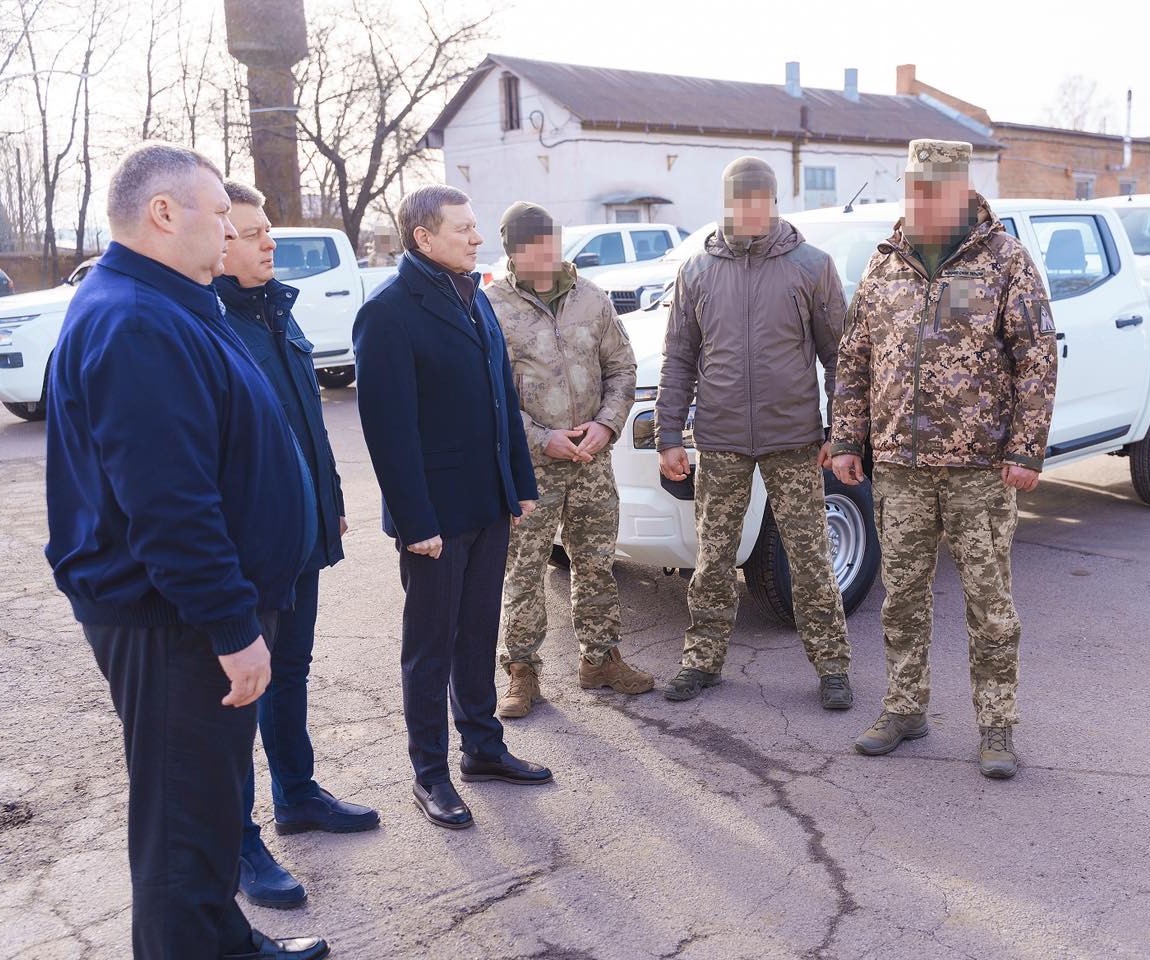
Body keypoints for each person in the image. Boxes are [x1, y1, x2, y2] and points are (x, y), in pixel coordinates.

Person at [44, 142, 327, 959]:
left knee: (202, 809)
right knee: (181, 821)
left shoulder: (171, 302)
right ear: (164, 214)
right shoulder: (135, 320)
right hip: (175, 623)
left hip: (192, 615)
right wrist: (234, 628)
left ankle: (223, 941)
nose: (233, 230)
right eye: (219, 214)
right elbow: (169, 506)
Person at [830, 139, 1057, 775]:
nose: (920, 202)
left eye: (932, 191)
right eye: (913, 189)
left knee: (990, 602)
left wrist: (1025, 448)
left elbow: (1037, 358)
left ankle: (997, 726)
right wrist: (848, 439)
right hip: (900, 466)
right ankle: (905, 707)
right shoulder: (885, 264)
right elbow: (854, 357)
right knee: (901, 595)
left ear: (960, 193)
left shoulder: (1004, 261)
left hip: (979, 469)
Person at [353, 184, 551, 831]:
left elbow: (502, 396)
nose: (476, 237)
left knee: (477, 634)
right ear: (423, 238)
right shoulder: (388, 312)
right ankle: (430, 773)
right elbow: (389, 430)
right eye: (463, 228)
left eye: (474, 226)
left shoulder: (475, 297)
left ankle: (483, 748)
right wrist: (416, 523)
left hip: (486, 502)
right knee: (429, 647)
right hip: (433, 517)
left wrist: (518, 484)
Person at [214, 179, 380, 910]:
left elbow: (308, 425)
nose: (268, 244)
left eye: (268, 231)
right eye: (252, 234)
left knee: (293, 669)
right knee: (238, 693)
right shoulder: (214, 328)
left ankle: (299, 794)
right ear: (216, 241)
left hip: (305, 527)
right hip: (252, 542)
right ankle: (238, 838)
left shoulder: (279, 315)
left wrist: (333, 500)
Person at [655, 156, 852, 708]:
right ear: (728, 203)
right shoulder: (696, 271)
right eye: (740, 201)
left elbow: (841, 357)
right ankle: (702, 661)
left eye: (759, 200)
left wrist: (842, 431)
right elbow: (678, 359)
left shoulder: (811, 266)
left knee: (810, 557)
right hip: (719, 441)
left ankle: (833, 666)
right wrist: (669, 435)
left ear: (773, 200)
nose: (750, 210)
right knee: (713, 558)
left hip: (794, 440)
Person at [485, 201, 650, 718]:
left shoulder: (592, 300)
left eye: (554, 244)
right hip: (530, 468)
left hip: (591, 461)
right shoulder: (490, 308)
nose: (550, 256)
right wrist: (540, 439)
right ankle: (521, 673)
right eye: (536, 247)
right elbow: (489, 398)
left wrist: (606, 425)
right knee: (524, 570)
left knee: (597, 563)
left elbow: (623, 369)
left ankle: (600, 659)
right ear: (514, 251)